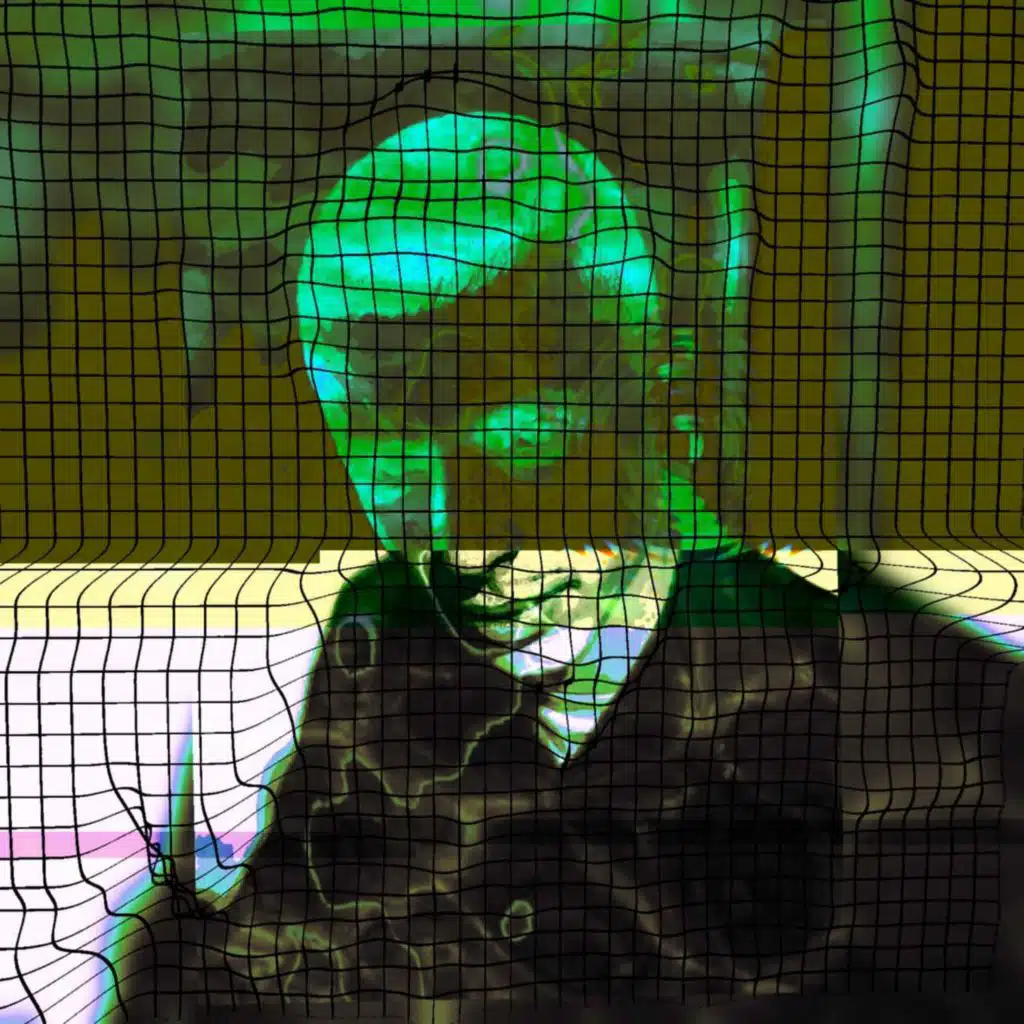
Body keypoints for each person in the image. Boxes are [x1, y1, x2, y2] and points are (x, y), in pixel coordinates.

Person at [142, 110, 1010, 1019]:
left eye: (520, 438)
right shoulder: (368, 656)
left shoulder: (898, 701)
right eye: (392, 471)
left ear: (671, 397)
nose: (458, 543)